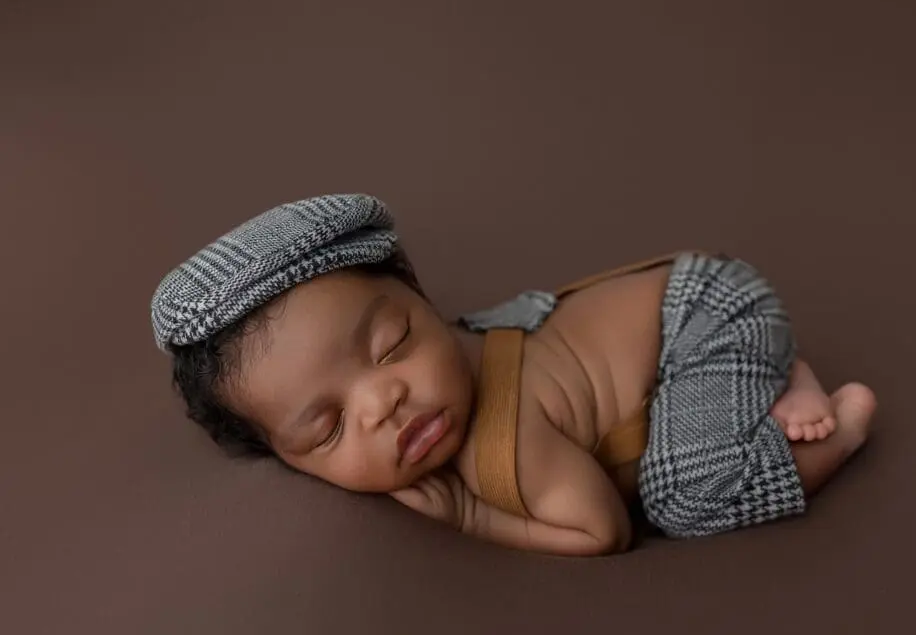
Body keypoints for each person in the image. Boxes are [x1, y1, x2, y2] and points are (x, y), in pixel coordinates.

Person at [151, 193, 876, 556]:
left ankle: (836, 421)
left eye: (393, 342)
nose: (385, 401)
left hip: (710, 315)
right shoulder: (449, 360)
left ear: (423, 300)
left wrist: (473, 515)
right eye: (331, 425)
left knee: (684, 490)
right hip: (696, 300)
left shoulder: (502, 442)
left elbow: (602, 530)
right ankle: (772, 374)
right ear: (285, 457)